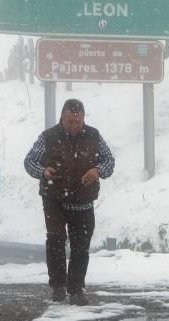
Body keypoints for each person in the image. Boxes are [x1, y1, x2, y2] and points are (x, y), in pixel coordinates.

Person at [24, 98, 115, 305]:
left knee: (80, 246)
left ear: (83, 118)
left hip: (83, 201)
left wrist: (97, 171)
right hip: (54, 199)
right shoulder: (48, 137)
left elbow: (109, 161)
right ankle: (58, 287)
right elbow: (29, 161)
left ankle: (76, 290)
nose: (74, 126)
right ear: (62, 118)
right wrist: (43, 171)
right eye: (70, 121)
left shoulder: (94, 136)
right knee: (55, 241)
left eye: (78, 121)